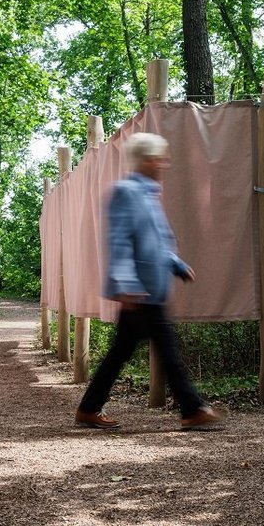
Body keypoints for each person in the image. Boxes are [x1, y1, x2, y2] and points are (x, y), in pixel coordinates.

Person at [74, 132, 222, 431]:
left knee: (121, 352)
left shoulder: (148, 193)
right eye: (159, 157)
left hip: (149, 288)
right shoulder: (126, 191)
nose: (164, 162)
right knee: (166, 349)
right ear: (147, 160)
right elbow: (120, 241)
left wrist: (176, 264)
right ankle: (192, 409)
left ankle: (89, 408)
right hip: (139, 291)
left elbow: (154, 242)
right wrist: (126, 283)